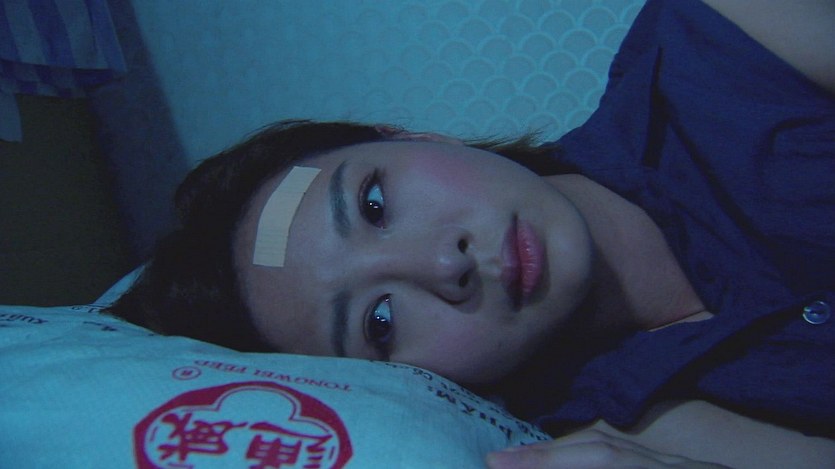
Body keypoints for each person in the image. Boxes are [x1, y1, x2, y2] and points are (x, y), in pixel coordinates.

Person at [107, 0, 835, 467]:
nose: (440, 264)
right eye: (379, 321)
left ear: (418, 136)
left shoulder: (722, 37)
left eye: (373, 203)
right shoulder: (627, 429)